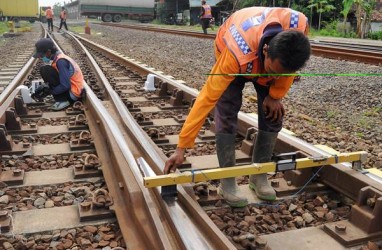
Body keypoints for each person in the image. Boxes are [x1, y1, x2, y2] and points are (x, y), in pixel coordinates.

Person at [164, 7, 311, 207]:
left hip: (257, 58)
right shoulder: (235, 56)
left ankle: (258, 176)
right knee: (226, 114)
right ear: (266, 51)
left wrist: (275, 95)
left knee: (273, 115)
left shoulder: (298, 27)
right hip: (231, 48)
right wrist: (182, 146)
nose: (274, 78)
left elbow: (284, 71)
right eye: (271, 71)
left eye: (281, 74)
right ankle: (227, 183)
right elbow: (206, 99)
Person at [33, 38, 85, 111]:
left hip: (73, 93)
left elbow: (65, 85)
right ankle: (61, 97)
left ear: (48, 51)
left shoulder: (61, 62)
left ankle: (63, 100)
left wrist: (50, 91)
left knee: (45, 70)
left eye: (42, 55)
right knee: (46, 69)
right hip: (73, 89)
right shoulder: (59, 58)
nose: (40, 57)